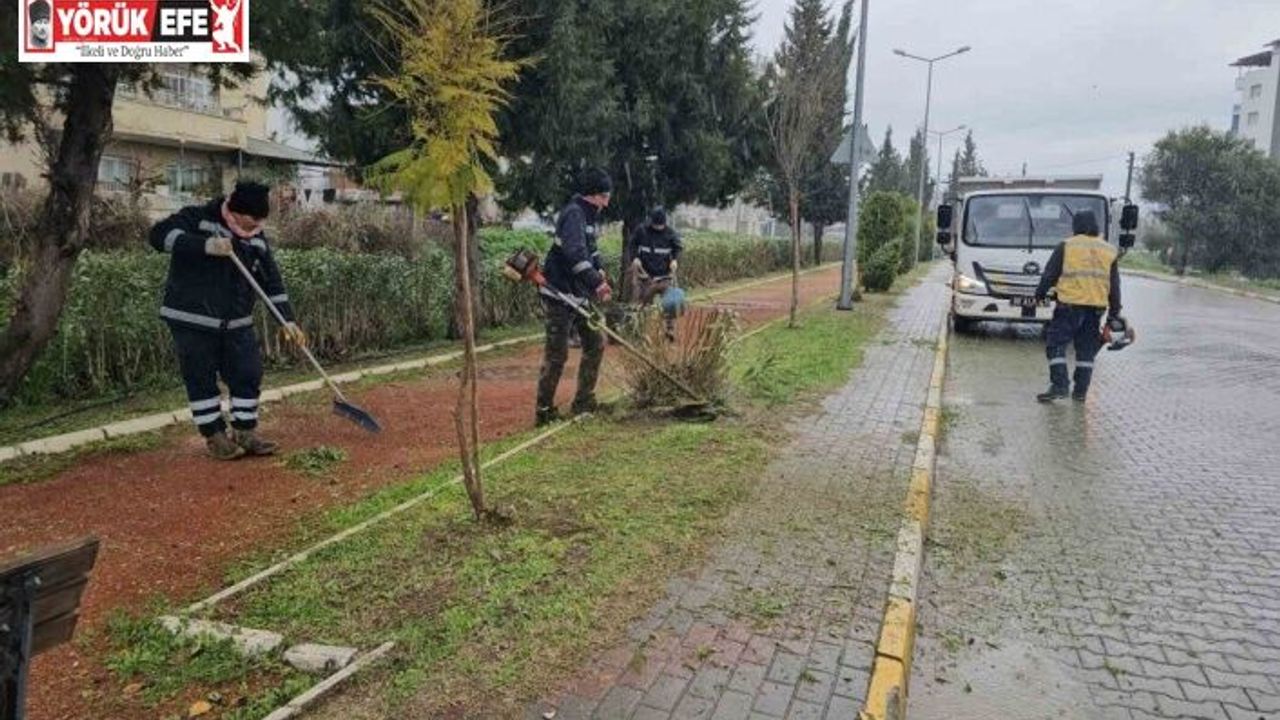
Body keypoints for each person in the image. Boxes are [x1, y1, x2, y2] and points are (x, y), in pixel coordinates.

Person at [149, 181, 307, 459]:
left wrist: (288, 321)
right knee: (201, 378)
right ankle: (215, 436)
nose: (252, 229)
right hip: (192, 319)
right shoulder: (196, 218)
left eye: (258, 224)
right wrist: (205, 246)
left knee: (248, 372)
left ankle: (245, 432)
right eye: (248, 223)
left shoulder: (257, 239)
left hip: (236, 322)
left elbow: (272, 283)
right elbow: (158, 236)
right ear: (233, 212)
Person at [535, 168, 613, 427]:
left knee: (596, 342)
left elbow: (591, 251)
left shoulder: (589, 217)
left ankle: (584, 401)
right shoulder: (574, 214)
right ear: (595, 195)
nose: (607, 202)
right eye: (605, 196)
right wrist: (597, 284)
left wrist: (599, 270)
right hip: (559, 293)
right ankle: (544, 411)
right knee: (557, 355)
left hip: (579, 294)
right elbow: (575, 255)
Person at [1033, 210, 1122, 403]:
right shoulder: (1109, 250)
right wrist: (1114, 314)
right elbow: (1114, 286)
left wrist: (1040, 294)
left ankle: (1060, 385)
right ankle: (1080, 392)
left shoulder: (1066, 246)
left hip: (1069, 307)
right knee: (1086, 351)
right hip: (1096, 310)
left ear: (1076, 226)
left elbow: (1050, 274)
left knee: (1055, 344)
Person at [627, 207, 684, 340]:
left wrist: (675, 260)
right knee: (641, 303)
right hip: (645, 275)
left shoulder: (670, 233)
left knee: (671, 302)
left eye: (661, 225)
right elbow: (632, 245)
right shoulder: (641, 231)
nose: (658, 228)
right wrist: (634, 258)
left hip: (664, 276)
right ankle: (639, 331)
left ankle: (669, 330)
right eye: (655, 225)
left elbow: (678, 248)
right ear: (651, 222)